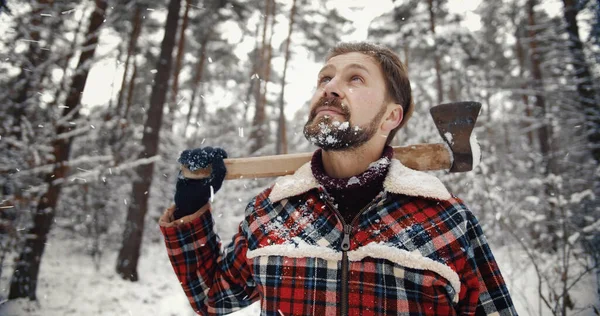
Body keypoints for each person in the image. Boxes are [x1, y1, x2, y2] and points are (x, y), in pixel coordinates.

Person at [159, 42, 517, 316]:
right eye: (325, 78)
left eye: (355, 79)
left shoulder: (446, 221)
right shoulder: (271, 211)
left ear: (391, 117)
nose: (330, 88)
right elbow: (212, 297)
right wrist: (192, 206)